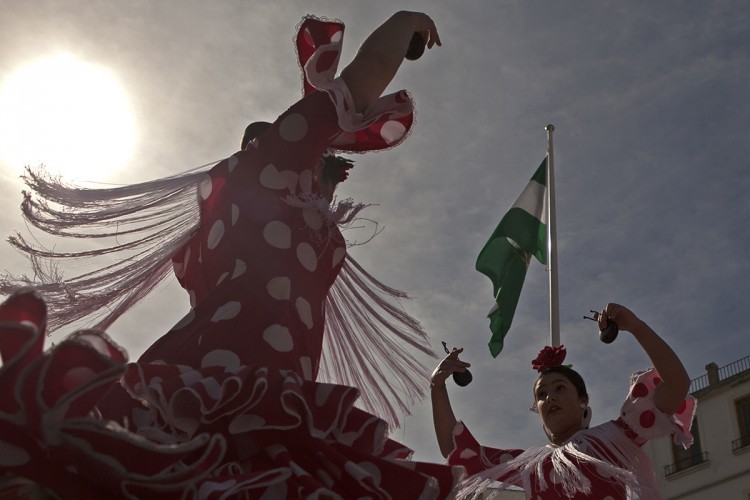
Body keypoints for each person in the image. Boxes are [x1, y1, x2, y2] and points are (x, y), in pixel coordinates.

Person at [0, 11, 463, 498]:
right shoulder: (268, 170)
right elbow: (359, 80)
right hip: (232, 375)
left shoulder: (269, 212)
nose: (330, 175)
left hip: (273, 382)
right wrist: (402, 22)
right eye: (321, 159)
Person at [430, 303, 696, 499]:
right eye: (541, 395)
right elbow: (456, 450)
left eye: (559, 388)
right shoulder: (527, 464)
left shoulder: (614, 437)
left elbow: (676, 384)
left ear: (583, 401)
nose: (550, 397)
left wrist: (636, 327)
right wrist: (437, 386)